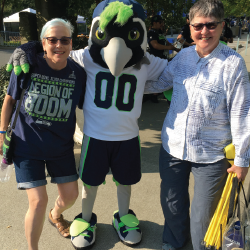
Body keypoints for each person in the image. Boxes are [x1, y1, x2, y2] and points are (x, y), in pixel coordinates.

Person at [145, 1, 250, 250]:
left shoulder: (232, 64)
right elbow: (160, 83)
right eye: (198, 26)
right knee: (172, 204)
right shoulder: (183, 56)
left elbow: (242, 113)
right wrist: (126, 85)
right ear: (190, 27)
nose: (204, 31)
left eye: (211, 25)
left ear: (222, 26)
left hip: (211, 156)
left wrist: (242, 160)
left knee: (203, 220)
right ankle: (173, 242)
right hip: (173, 149)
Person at [0, 18, 86, 250]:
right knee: (38, 202)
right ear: (43, 43)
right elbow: (9, 101)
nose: (59, 45)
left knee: (69, 197)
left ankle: (55, 215)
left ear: (71, 44)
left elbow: (86, 107)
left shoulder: (78, 74)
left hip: (61, 148)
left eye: (65, 40)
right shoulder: (27, 66)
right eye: (52, 40)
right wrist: (0, 134)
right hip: (27, 146)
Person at [147, 15, 179, 103]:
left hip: (164, 58)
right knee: (159, 77)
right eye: (160, 22)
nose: (162, 24)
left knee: (165, 76)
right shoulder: (151, 33)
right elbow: (155, 45)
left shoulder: (159, 31)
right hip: (156, 59)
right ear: (154, 23)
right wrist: (168, 48)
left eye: (162, 22)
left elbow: (165, 41)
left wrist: (174, 48)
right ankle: (154, 95)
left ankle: (159, 94)